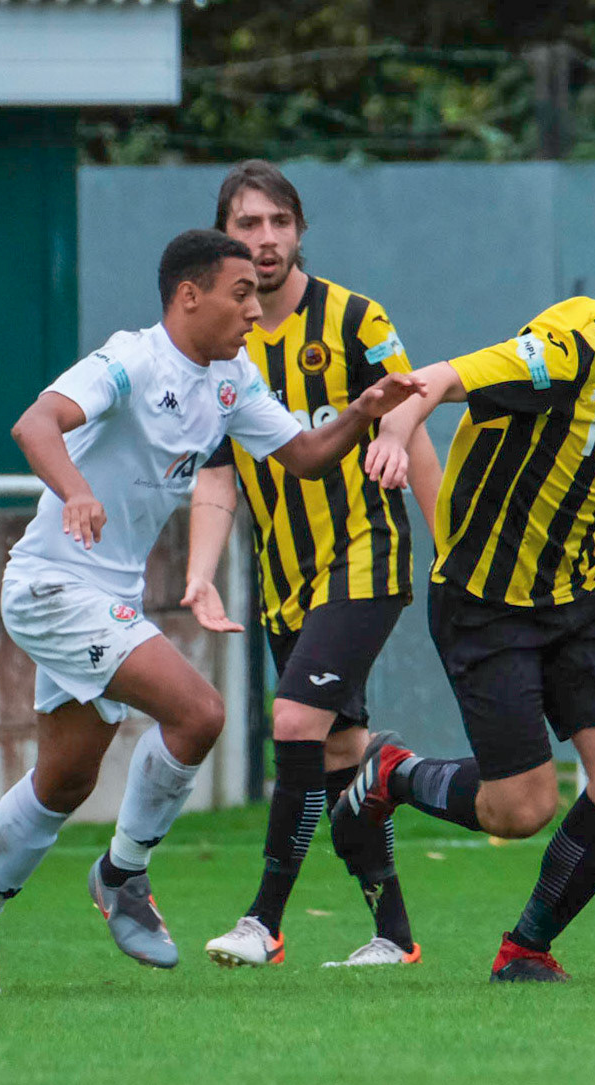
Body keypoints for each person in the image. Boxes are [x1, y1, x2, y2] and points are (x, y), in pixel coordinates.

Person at [0, 230, 415, 993]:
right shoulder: (133, 359)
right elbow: (35, 424)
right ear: (190, 295)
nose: (255, 311)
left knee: (65, 778)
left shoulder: (232, 380)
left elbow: (307, 456)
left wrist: (362, 414)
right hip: (53, 583)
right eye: (240, 293)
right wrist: (74, 491)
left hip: (105, 596)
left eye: (258, 295)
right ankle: (122, 875)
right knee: (200, 713)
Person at [332, 214, 595, 982]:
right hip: (484, 601)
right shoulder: (561, 353)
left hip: (578, 595)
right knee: (519, 809)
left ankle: (525, 948)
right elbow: (439, 378)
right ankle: (391, 771)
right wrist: (393, 431)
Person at [185, 161, 444, 970]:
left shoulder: (356, 319)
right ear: (224, 236)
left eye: (277, 223)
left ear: (300, 230)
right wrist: (199, 574)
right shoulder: (222, 346)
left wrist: (456, 554)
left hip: (363, 558)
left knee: (293, 722)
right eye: (247, 224)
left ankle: (263, 920)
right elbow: (219, 473)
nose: (263, 239)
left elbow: (411, 417)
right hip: (285, 581)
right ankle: (394, 935)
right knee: (340, 752)